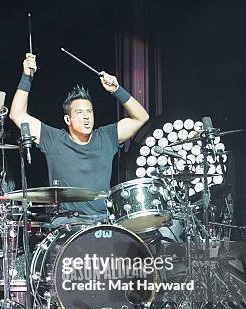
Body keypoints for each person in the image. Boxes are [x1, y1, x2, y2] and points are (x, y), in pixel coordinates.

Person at [9, 53, 149, 225]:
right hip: (66, 223)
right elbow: (17, 114)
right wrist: (27, 77)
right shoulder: (53, 139)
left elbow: (141, 117)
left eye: (89, 112)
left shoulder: (106, 137)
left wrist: (116, 90)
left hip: (104, 221)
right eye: (79, 113)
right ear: (68, 119)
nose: (86, 117)